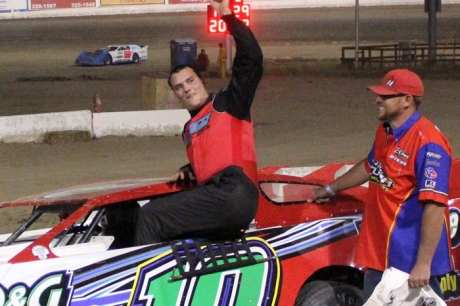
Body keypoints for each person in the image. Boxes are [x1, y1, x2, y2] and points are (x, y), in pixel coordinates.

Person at [308, 69, 452, 301]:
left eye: (386, 96)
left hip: (409, 264)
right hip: (381, 259)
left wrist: (423, 264)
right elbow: (369, 166)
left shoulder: (429, 143)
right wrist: (329, 189)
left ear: (407, 100)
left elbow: (435, 206)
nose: (378, 99)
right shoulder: (386, 132)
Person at [133, 0, 263, 246]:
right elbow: (211, 153)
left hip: (235, 192)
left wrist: (227, 16)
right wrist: (188, 169)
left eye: (190, 81)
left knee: (151, 216)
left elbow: (252, 59)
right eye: (179, 87)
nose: (187, 89)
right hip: (216, 196)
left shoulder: (228, 102)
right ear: (176, 94)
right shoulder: (188, 130)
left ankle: (135, 281)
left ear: (201, 80)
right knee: (157, 216)